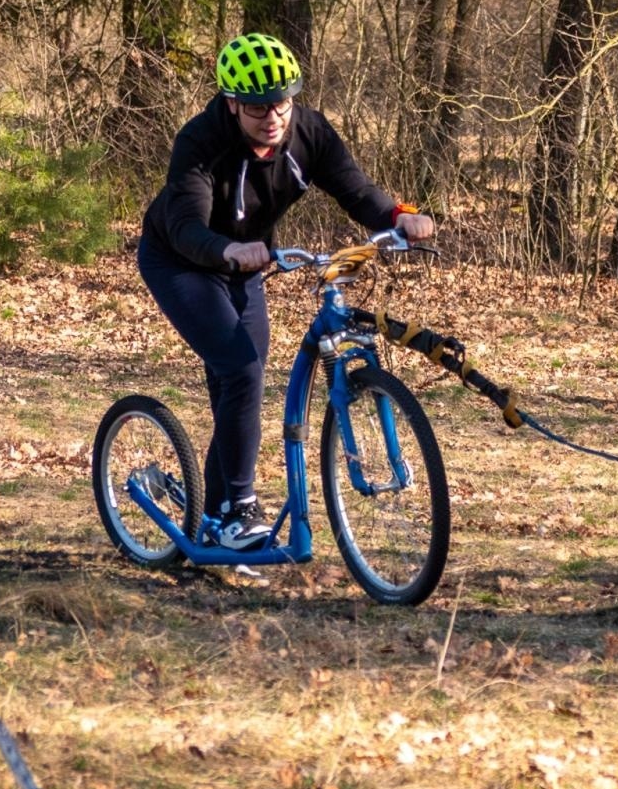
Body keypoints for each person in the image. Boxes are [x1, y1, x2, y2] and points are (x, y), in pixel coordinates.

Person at [138, 32, 435, 550]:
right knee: (243, 372)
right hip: (182, 261)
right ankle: (241, 509)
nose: (273, 116)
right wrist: (228, 251)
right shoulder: (200, 141)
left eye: (282, 101)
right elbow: (185, 225)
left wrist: (399, 216)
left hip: (247, 265)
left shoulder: (309, 132)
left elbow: (355, 189)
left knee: (239, 384)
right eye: (257, 108)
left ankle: (218, 518)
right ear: (232, 104)